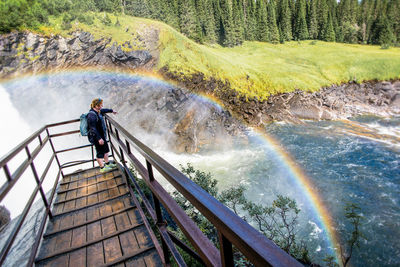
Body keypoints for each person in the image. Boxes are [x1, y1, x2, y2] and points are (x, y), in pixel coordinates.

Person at [87, 98, 118, 173]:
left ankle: (107, 164)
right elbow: (92, 128)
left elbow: (104, 110)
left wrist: (111, 111)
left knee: (106, 149)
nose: (102, 106)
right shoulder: (92, 115)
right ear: (96, 106)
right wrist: (99, 138)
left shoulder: (98, 111)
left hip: (101, 135)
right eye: (100, 105)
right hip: (97, 137)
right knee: (100, 152)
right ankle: (102, 168)